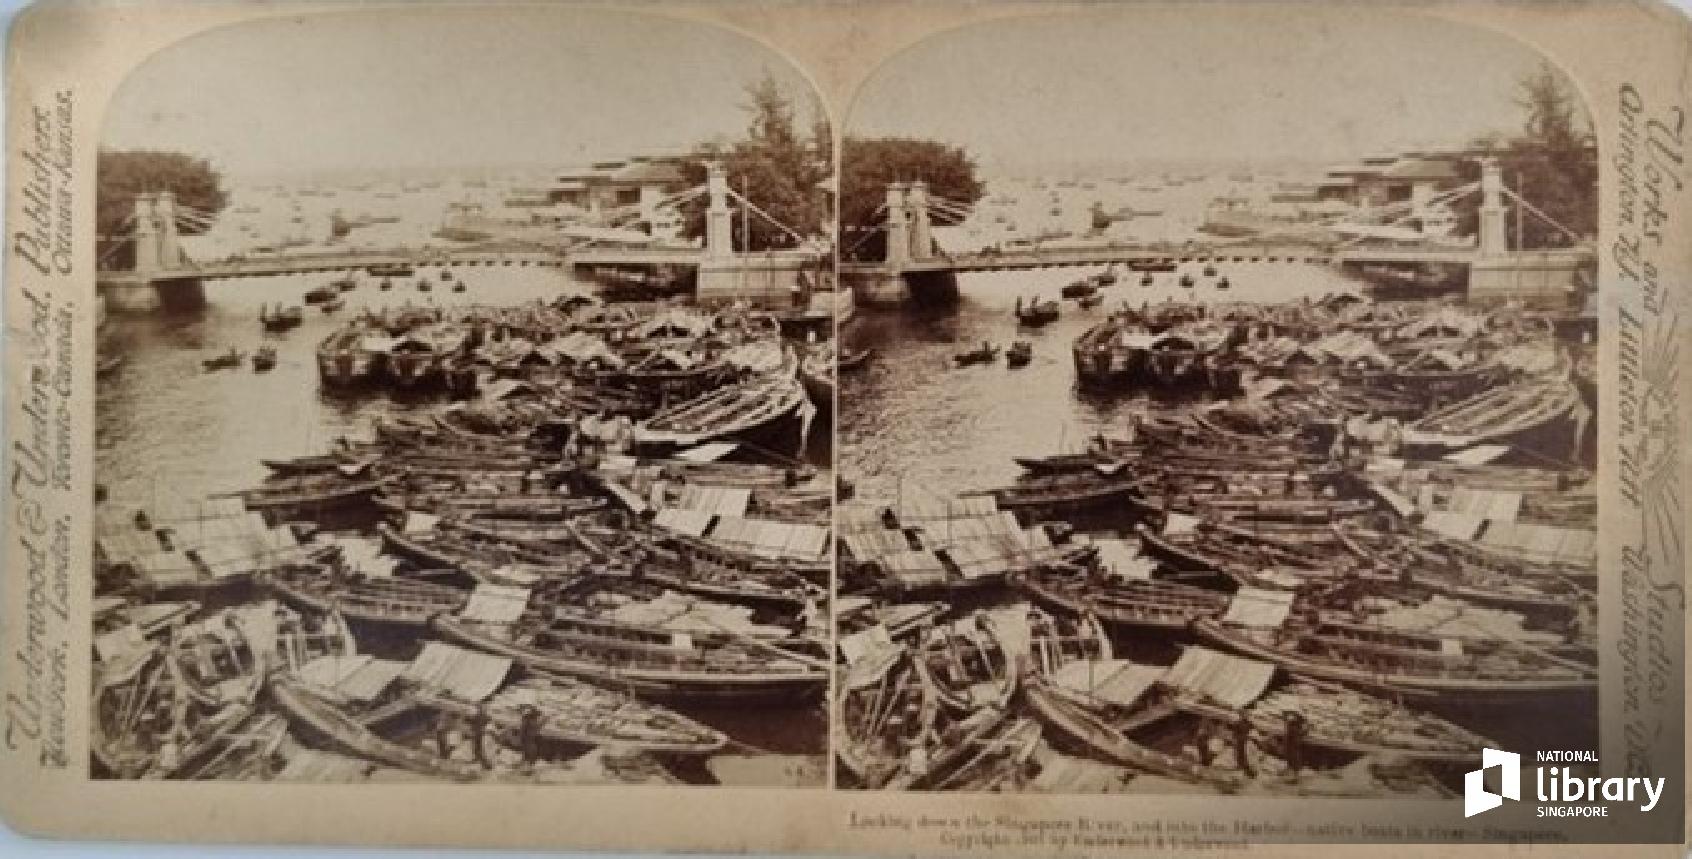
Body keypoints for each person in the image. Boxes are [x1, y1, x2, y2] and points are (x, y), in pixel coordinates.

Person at [469, 703, 493, 770]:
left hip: (478, 733)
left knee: (478, 748)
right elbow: (489, 720)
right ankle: (482, 762)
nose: (479, 710)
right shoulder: (484, 716)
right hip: (480, 733)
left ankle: (484, 763)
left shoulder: (477, 716)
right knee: (478, 748)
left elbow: (472, 723)